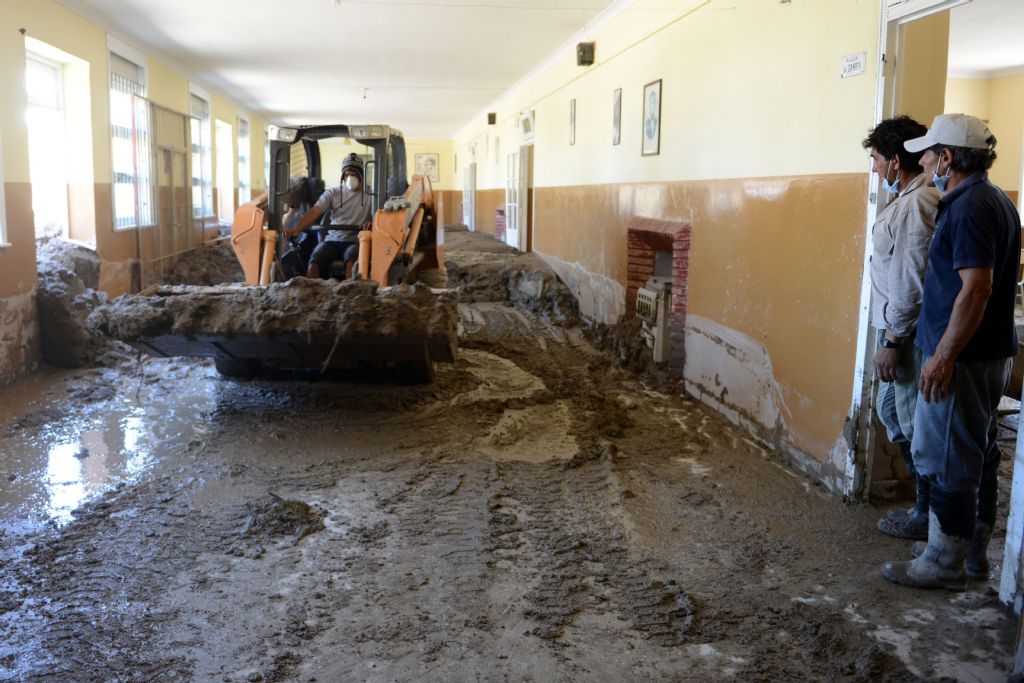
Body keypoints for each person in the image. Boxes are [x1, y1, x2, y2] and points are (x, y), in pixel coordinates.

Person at [883, 113, 1021, 591]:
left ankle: (942, 563)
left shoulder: (968, 208)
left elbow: (976, 288)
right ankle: (970, 555)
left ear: (947, 158)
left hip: (961, 358)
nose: (922, 162)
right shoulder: (994, 200)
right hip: (986, 352)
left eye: (928, 154)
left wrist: (942, 356)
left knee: (947, 459)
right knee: (978, 452)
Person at [861, 116, 941, 540]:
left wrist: (892, 340)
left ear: (895, 160)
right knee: (893, 411)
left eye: (877, 159)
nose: (875, 168)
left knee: (910, 422)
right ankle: (923, 510)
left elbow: (911, 279)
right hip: (896, 328)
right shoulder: (905, 199)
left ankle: (927, 515)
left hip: (905, 334)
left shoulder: (917, 203)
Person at [284, 153, 372, 279]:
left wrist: (372, 222)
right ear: (343, 176)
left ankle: (351, 289)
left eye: (354, 174)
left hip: (355, 241)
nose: (350, 177)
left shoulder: (371, 195)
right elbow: (315, 211)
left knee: (351, 262)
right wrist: (297, 229)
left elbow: (379, 215)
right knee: (315, 260)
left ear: (361, 175)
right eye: (347, 174)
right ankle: (312, 289)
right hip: (332, 240)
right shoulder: (333, 193)